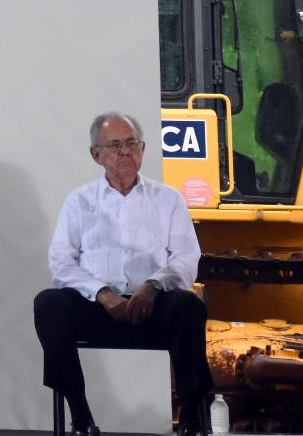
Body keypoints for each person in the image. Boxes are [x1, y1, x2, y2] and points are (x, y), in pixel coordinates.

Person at [33, 111, 212, 436]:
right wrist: (103, 293)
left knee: (189, 306)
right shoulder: (79, 201)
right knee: (48, 304)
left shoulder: (168, 199)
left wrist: (152, 287)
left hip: (153, 306)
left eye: (132, 143)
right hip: (98, 309)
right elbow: (61, 263)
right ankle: (80, 416)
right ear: (96, 154)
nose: (125, 151)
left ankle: (190, 419)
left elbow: (187, 258)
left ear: (143, 148)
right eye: (114, 145)